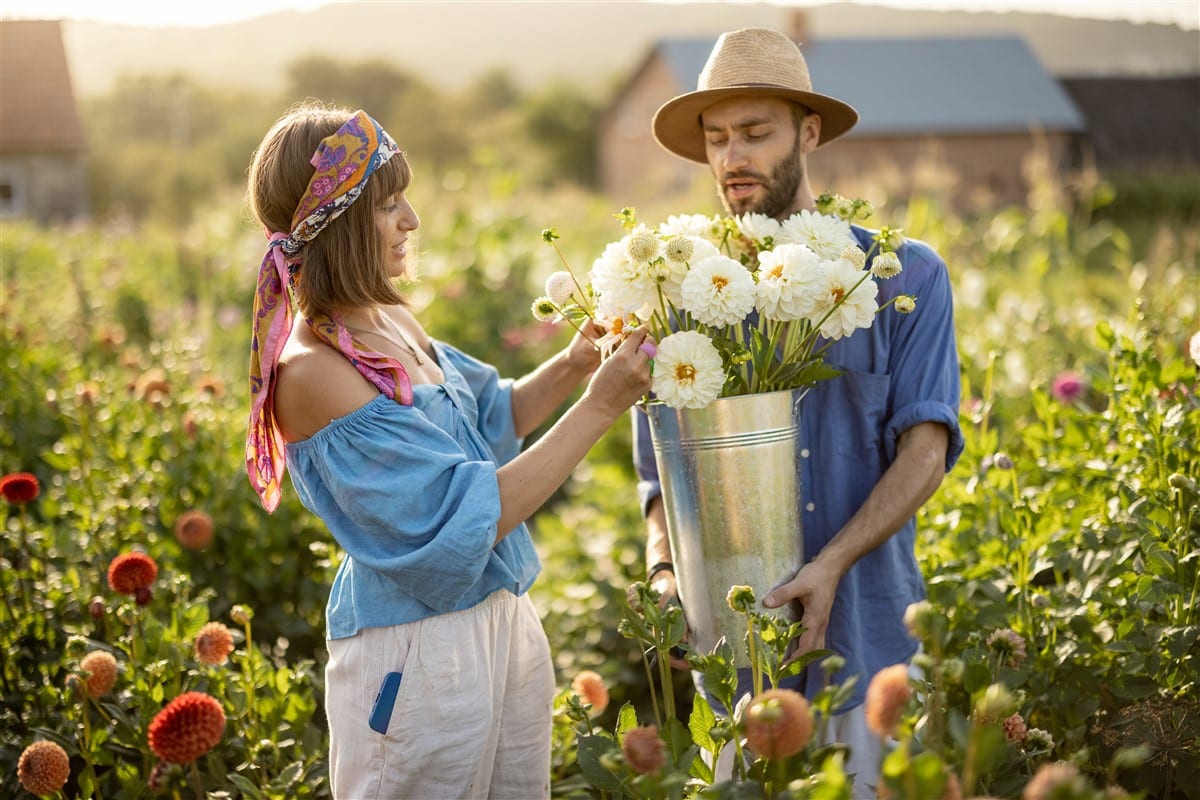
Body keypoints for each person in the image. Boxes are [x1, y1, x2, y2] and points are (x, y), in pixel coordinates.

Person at [243, 102, 653, 799]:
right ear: (336, 222)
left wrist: (578, 363)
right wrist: (604, 404)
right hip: (414, 655)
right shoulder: (311, 374)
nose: (411, 221)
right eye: (387, 204)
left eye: (406, 199)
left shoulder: (389, 316)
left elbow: (491, 419)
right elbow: (467, 515)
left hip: (500, 621)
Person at [632, 27, 963, 796]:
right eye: (716, 138)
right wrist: (662, 575)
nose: (732, 156)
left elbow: (926, 446)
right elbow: (659, 474)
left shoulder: (901, 276)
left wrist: (830, 566)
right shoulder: (684, 294)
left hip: (865, 640)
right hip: (736, 666)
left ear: (809, 132)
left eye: (755, 132)